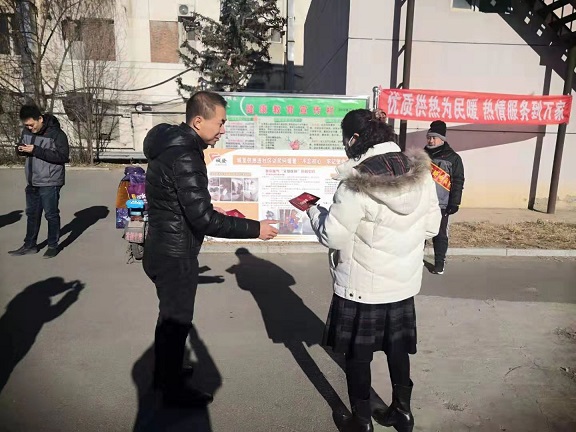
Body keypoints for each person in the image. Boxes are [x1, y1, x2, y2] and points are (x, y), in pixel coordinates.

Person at [306, 109, 441, 432]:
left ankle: (362, 420)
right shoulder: (420, 173)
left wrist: (313, 212)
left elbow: (334, 236)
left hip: (362, 287)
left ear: (354, 139)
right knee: (398, 351)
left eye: (345, 140)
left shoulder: (355, 184)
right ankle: (403, 413)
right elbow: (432, 226)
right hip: (402, 284)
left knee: (357, 356)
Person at [142, 91, 278, 409]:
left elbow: (181, 204)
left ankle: (165, 374)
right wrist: (255, 229)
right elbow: (203, 220)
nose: (222, 130)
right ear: (198, 121)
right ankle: (172, 391)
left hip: (162, 246)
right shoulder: (185, 156)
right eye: (220, 123)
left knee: (169, 319)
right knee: (176, 322)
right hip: (175, 253)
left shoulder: (170, 147)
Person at [8, 105, 70, 259]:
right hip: (32, 180)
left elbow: (63, 157)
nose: (29, 128)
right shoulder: (26, 132)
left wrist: (36, 150)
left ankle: (52, 246)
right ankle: (29, 245)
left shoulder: (57, 134)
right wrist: (19, 149)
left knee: (51, 215)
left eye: (31, 124)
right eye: (26, 125)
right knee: (32, 214)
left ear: (40, 119)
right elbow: (23, 147)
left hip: (50, 181)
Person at [424, 120, 465, 275]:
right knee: (420, 233)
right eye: (429, 137)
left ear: (442, 139)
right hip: (422, 203)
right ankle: (415, 260)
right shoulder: (421, 156)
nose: (430, 140)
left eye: (434, 137)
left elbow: (458, 181)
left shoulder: (453, 158)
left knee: (440, 234)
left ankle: (439, 263)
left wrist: (455, 202)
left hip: (442, 204)